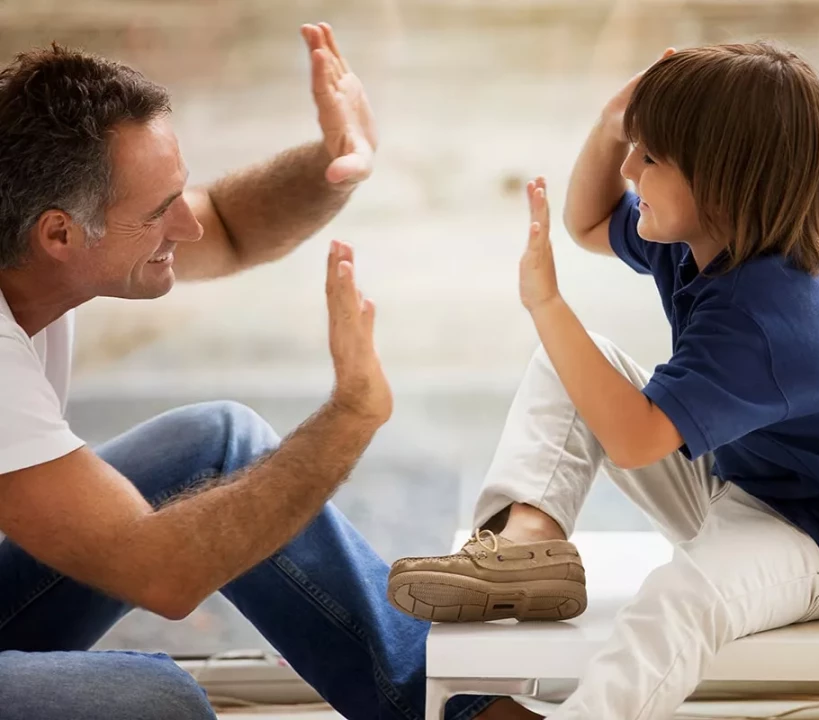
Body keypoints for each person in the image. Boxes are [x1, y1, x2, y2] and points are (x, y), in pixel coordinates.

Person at [0, 23, 533, 720]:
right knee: (159, 705)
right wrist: (351, 417)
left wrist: (332, 161)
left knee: (220, 443)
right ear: (60, 234)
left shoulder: (33, 232)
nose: (185, 229)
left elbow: (225, 224)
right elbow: (161, 573)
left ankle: (465, 714)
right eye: (160, 212)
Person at [388, 43, 819, 719]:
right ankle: (530, 542)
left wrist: (548, 306)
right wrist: (617, 119)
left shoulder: (770, 315)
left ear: (719, 180)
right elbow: (587, 221)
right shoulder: (697, 237)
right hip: (742, 483)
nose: (626, 167)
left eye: (649, 156)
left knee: (683, 597)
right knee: (574, 366)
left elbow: (637, 440)